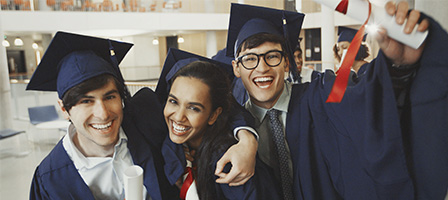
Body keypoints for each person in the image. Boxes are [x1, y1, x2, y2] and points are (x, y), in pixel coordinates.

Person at [226, 2, 444, 199]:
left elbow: (366, 99)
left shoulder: (322, 96)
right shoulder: (232, 127)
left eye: (272, 56)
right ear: (236, 68)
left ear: (286, 63)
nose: (262, 68)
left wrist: (399, 67)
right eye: (250, 59)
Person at [27, 31, 178, 200]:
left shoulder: (149, 130)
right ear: (64, 109)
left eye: (110, 97)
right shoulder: (50, 179)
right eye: (86, 101)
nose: (103, 114)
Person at [157, 48, 281, 200]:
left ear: (214, 115)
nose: (178, 116)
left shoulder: (229, 162)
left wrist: (247, 139)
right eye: (173, 101)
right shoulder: (175, 145)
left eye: (193, 108)